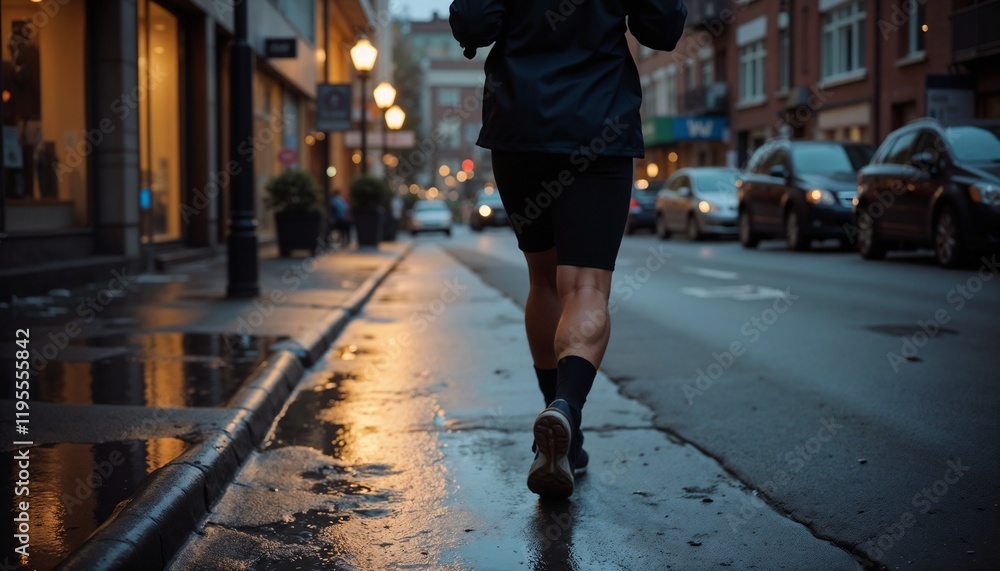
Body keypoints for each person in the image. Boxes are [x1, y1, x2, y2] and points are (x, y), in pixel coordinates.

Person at [449, 0, 687, 498]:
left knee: (543, 279)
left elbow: (472, 24)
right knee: (584, 283)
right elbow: (663, 28)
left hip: (521, 128)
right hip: (599, 124)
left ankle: (557, 432)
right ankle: (567, 412)